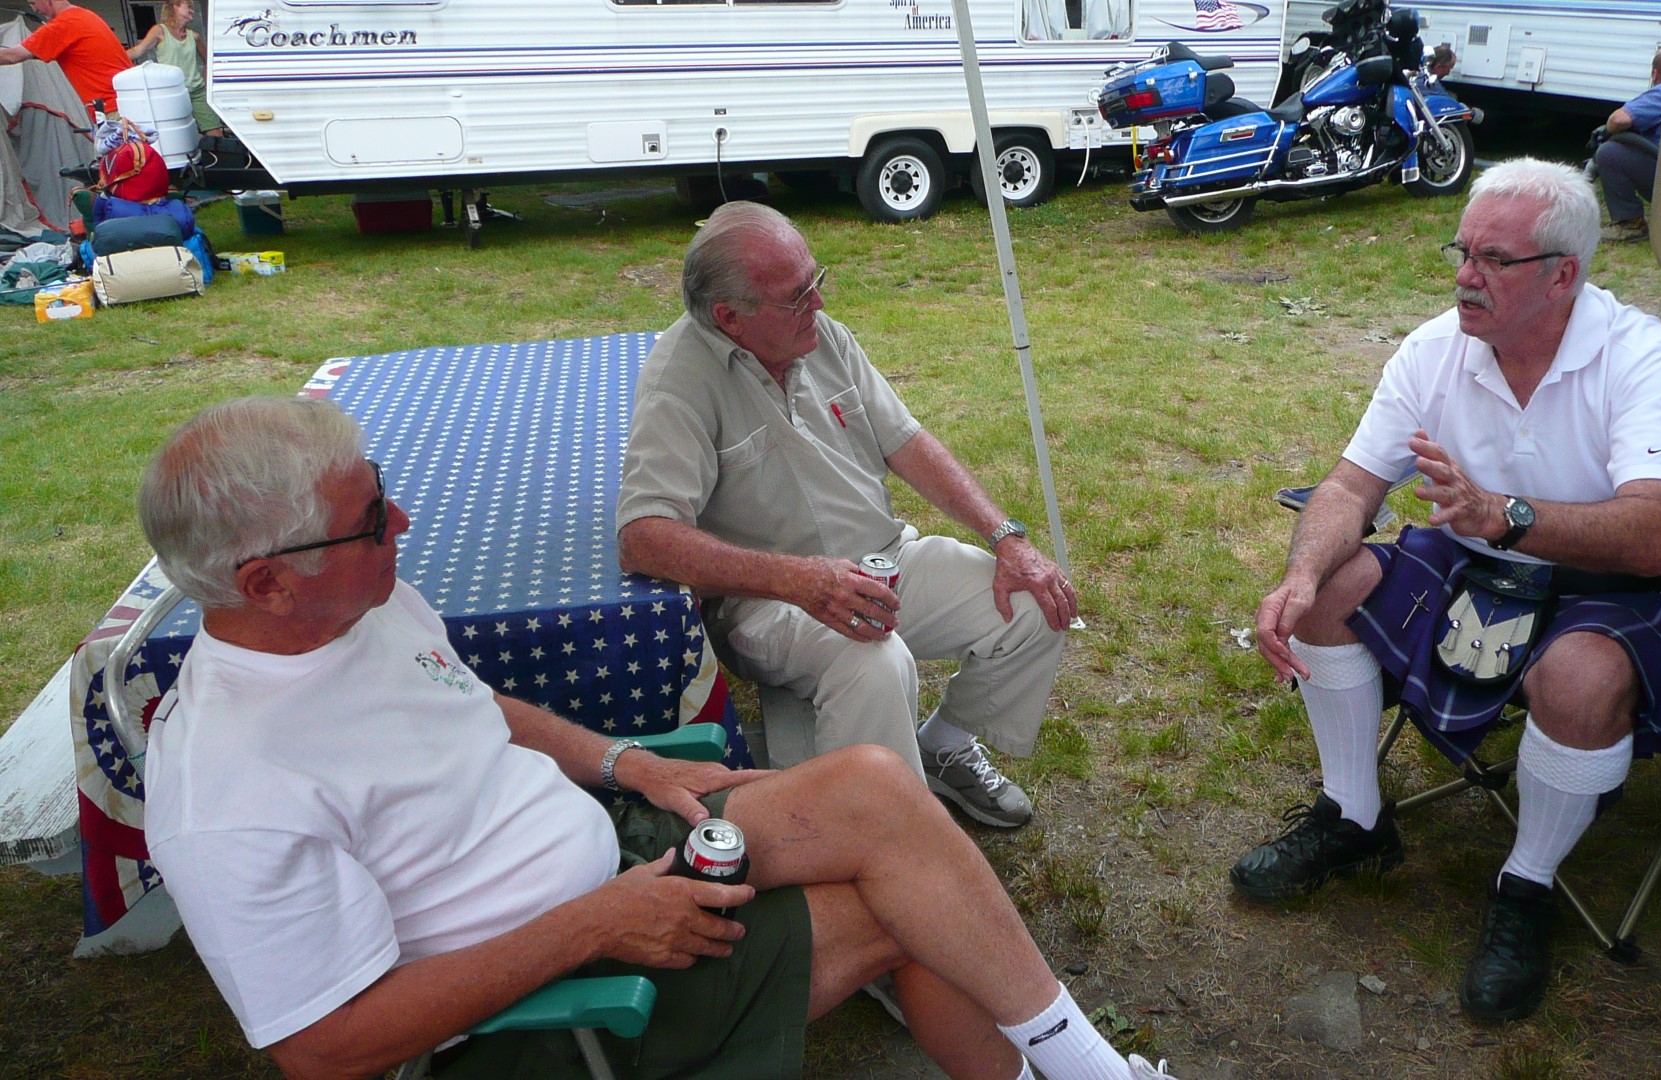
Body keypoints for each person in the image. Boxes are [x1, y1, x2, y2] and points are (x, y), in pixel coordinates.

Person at [138, 395, 1176, 1080]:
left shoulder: (364, 607)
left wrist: (620, 761)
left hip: (615, 860)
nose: (402, 525)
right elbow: (325, 1047)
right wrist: (595, 926)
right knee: (909, 906)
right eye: (370, 521)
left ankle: (1083, 1069)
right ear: (264, 583)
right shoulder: (231, 786)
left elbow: (464, 706)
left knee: (874, 787)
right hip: (550, 1004)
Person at [1229, 159, 1661, 1022]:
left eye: (1493, 258)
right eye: (1462, 251)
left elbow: (1654, 533)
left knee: (1582, 679)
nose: (1463, 276)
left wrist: (1506, 514)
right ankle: (1357, 817)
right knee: (1330, 587)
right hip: (1471, 562)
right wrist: (1297, 576)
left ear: (1564, 274)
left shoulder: (1639, 356)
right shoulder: (1435, 349)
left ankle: (1526, 885)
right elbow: (1348, 488)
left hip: (1597, 582)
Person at [615, 201, 1078, 829]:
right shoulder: (681, 381)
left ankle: (942, 745)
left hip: (883, 561)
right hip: (769, 601)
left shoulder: (822, 338)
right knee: (875, 663)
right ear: (731, 318)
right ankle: (885, 842)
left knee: (1034, 601)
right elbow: (643, 539)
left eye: (817, 281)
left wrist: (1005, 536)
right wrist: (800, 580)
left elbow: (906, 441)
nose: (821, 305)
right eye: (798, 295)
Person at [0, 0, 131, 122]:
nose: (34, 9)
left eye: (33, 3)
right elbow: (34, 53)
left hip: (113, 112)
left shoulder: (62, 25)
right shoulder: (85, 15)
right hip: (126, 105)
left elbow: (12, 56)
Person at [1593, 46, 1661, 243]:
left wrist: (1607, 131)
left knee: (1609, 153)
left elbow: (1618, 121)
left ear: (1655, 73)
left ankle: (1630, 226)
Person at [127, 0, 220, 134]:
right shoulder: (159, 31)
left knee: (215, 133)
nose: (192, 11)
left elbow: (208, 61)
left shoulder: (194, 36)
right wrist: (113, 57)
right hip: (172, 93)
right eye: (188, 7)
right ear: (175, 7)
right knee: (180, 133)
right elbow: (137, 51)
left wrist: (205, 84)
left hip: (197, 92)